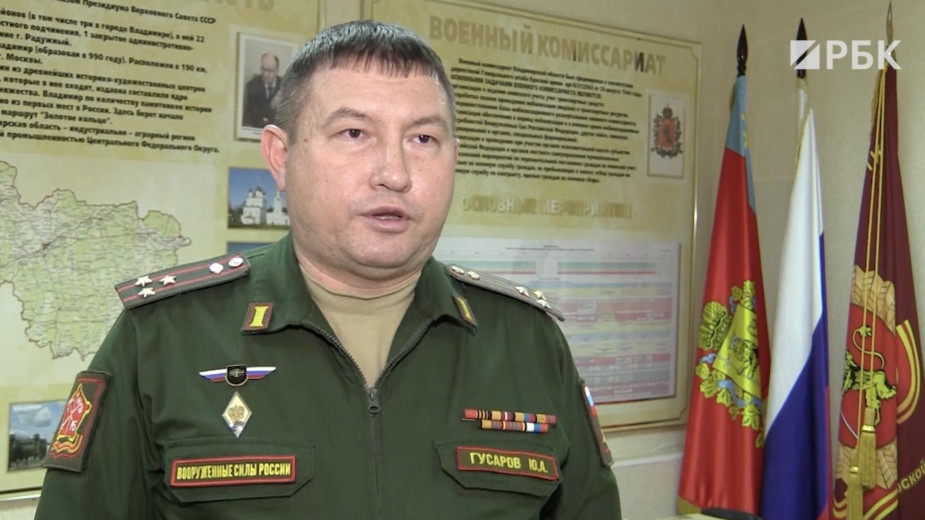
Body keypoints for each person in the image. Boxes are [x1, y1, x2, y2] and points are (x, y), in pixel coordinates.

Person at [35, 20, 621, 519]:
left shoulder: (527, 342)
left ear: (454, 159)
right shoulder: (162, 338)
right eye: (354, 133)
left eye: (423, 138)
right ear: (280, 157)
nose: (394, 172)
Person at [241, 52, 281, 128]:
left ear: (277, 70)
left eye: (269, 71)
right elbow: (251, 117)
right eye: (263, 69)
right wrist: (271, 106)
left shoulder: (285, 86)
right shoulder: (252, 86)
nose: (265, 74)